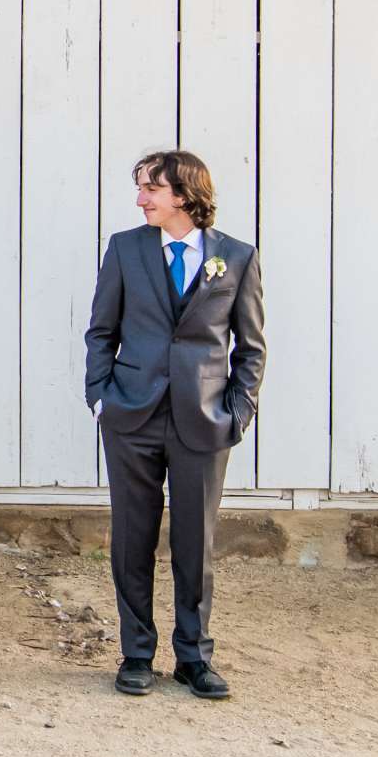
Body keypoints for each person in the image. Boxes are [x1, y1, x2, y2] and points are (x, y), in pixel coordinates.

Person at [84, 149, 266, 701]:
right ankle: (136, 654)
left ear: (184, 194)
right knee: (131, 540)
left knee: (196, 543)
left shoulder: (235, 257)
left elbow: (250, 348)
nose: (141, 198)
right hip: (132, 416)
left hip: (204, 420)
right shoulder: (125, 249)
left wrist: (238, 411)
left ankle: (194, 658)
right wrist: (102, 400)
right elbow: (101, 332)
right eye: (139, 188)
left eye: (151, 189)